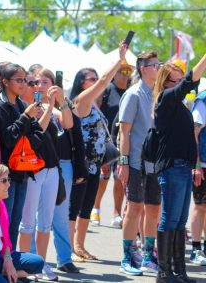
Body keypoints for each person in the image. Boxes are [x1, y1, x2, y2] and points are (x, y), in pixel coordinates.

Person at [70, 41, 128, 263]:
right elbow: (106, 80)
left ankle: (80, 245)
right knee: (75, 207)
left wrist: (105, 158)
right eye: (91, 79)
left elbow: (101, 134)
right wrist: (119, 60)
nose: (96, 82)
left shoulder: (94, 104)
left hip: (96, 163)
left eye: (96, 78)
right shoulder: (81, 101)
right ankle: (69, 249)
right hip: (82, 164)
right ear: (81, 83)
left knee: (86, 208)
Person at [153, 56, 206, 282]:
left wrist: (194, 165)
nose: (181, 83)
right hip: (172, 166)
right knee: (170, 218)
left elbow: (189, 84)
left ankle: (178, 270)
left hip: (183, 167)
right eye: (176, 80)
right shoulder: (165, 98)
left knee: (179, 220)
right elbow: (190, 81)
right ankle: (164, 272)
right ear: (166, 82)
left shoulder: (179, 104)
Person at [19, 68, 73, 280]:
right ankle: (25, 265)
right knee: (27, 222)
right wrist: (48, 106)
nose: (38, 86)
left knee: (45, 222)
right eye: (34, 82)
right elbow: (38, 131)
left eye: (43, 82)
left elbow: (68, 123)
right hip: (32, 170)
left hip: (51, 169)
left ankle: (40, 264)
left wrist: (60, 99)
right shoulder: (25, 107)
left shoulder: (50, 108)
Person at [118, 51, 161, 276]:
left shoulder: (158, 93)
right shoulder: (133, 94)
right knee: (134, 208)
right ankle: (126, 256)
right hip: (135, 161)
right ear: (144, 68)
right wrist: (123, 162)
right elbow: (124, 131)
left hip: (157, 163)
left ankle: (147, 256)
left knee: (153, 209)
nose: (159, 68)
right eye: (155, 65)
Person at [0, 62, 43, 251]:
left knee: (15, 220)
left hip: (22, 171)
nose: (23, 84)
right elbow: (7, 138)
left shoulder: (21, 104)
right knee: (5, 221)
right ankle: (1, 263)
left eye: (25, 79)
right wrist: (25, 116)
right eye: (19, 80)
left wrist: (35, 117)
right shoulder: (0, 105)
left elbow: (35, 134)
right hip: (6, 172)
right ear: (5, 81)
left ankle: (11, 263)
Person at [91, 59, 133, 228]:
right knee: (103, 176)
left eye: (128, 72)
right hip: (105, 139)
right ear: (114, 73)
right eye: (122, 72)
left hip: (123, 140)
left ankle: (116, 212)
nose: (125, 75)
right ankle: (96, 208)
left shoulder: (130, 92)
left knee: (119, 178)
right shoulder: (107, 91)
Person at [190, 90, 206, 266]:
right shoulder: (204, 100)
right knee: (201, 206)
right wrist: (196, 164)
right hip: (203, 162)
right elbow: (194, 132)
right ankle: (195, 249)